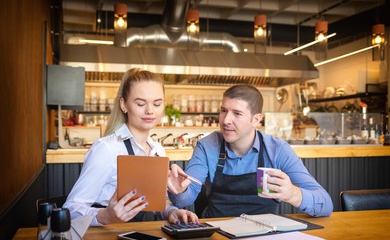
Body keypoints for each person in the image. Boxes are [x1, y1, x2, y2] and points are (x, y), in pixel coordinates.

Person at [168, 84, 333, 218]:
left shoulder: (277, 150)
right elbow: (184, 200)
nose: (226, 120)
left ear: (256, 119)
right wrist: (180, 189)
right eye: (223, 111)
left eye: (237, 113)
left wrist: (293, 194)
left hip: (264, 236)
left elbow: (326, 204)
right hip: (217, 233)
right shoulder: (207, 146)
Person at [63, 68, 198, 226]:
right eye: (140, 103)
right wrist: (106, 216)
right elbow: (70, 209)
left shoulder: (157, 150)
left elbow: (155, 203)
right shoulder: (106, 148)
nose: (150, 111)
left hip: (139, 236)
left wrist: (172, 211)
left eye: (157, 103)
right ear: (124, 104)